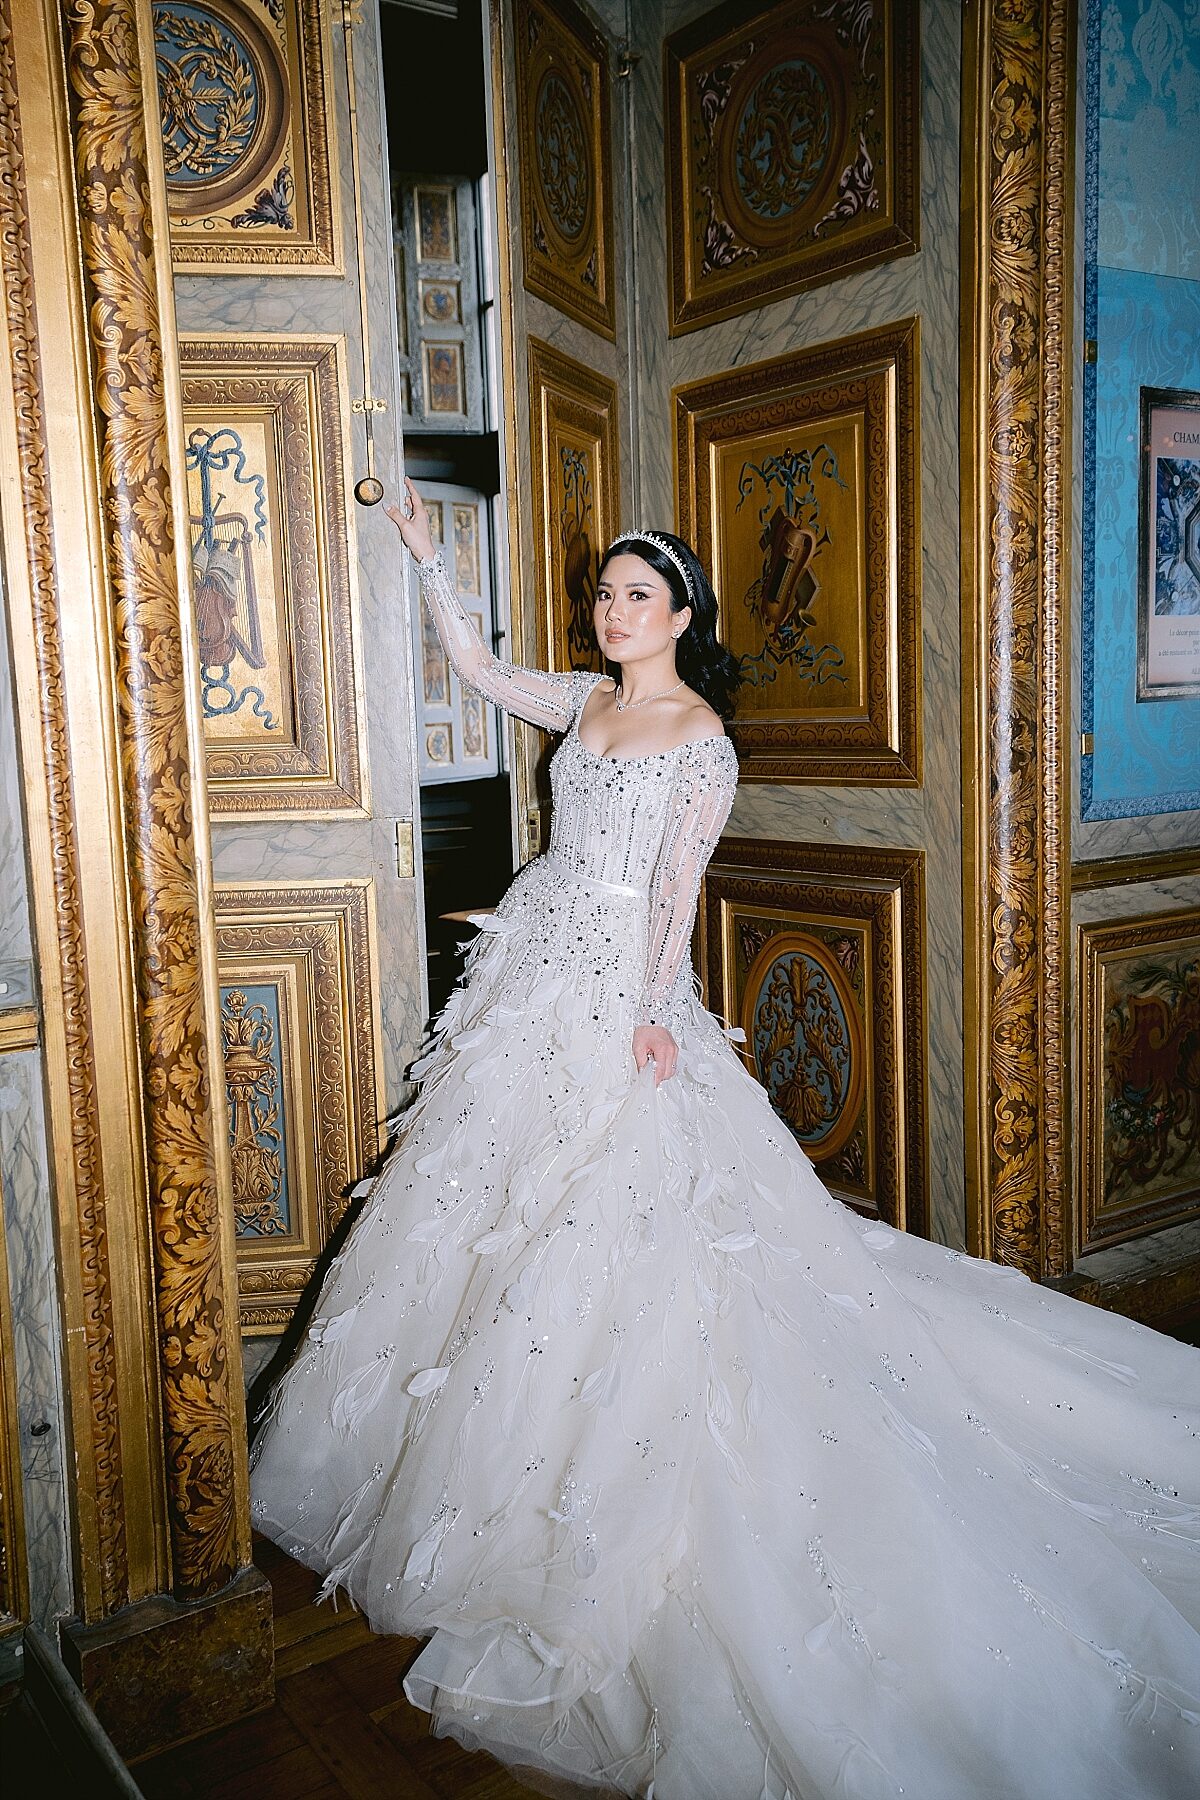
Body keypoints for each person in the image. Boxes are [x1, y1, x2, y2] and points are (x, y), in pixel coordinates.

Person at [251, 480, 1200, 1800]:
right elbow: (469, 666)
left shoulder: (702, 739)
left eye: (638, 595)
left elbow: (675, 893)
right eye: (604, 593)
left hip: (616, 995)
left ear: (683, 618)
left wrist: (647, 1017)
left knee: (627, 1227)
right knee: (478, 1209)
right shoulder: (581, 704)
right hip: (535, 973)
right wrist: (426, 554)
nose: (613, 609)